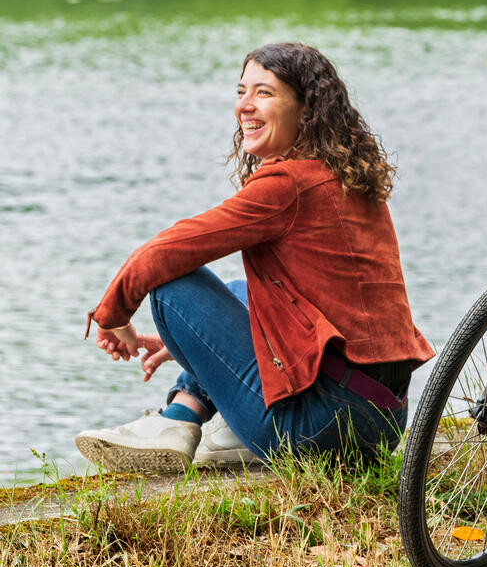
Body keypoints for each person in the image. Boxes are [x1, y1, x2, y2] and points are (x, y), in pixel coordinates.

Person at [75, 43, 433, 474]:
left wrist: (112, 315)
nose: (244, 105)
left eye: (264, 93)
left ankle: (179, 422)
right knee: (240, 291)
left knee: (172, 285)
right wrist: (187, 346)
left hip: (316, 427)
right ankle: (186, 416)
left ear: (307, 109)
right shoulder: (343, 176)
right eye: (241, 91)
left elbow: (166, 251)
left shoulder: (289, 184)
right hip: (384, 422)